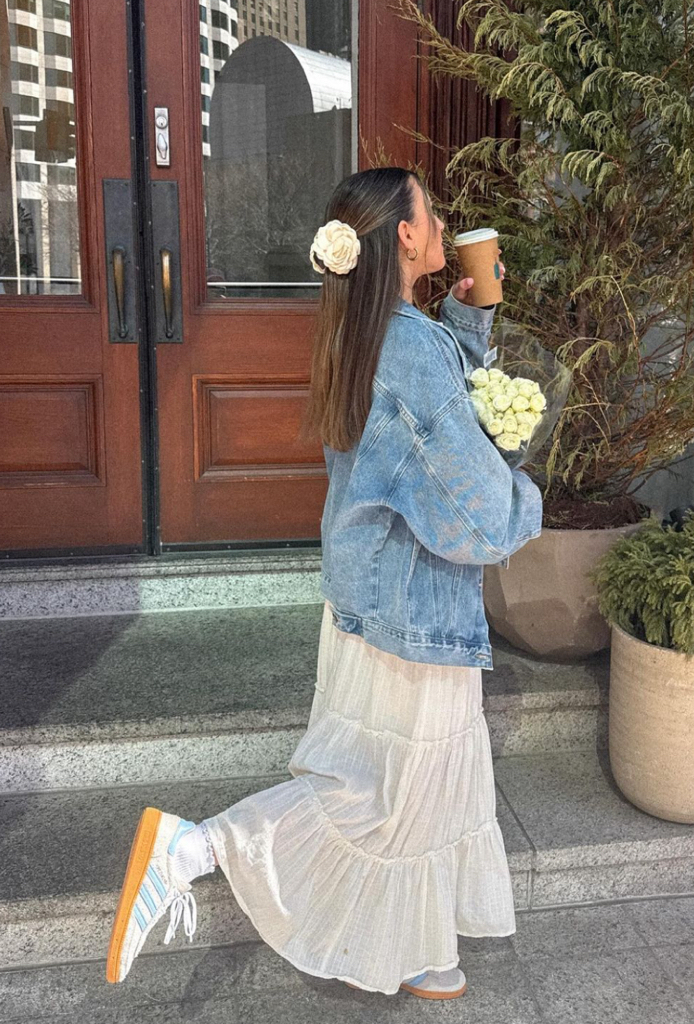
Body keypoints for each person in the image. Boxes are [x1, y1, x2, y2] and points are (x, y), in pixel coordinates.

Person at [105, 167, 543, 998]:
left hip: (369, 601)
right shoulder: (408, 348)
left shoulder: (366, 328)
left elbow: (424, 428)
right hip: (409, 609)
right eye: (431, 212)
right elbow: (478, 517)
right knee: (373, 796)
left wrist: (470, 317)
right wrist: (527, 497)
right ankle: (191, 848)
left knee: (410, 787)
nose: (442, 224)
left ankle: (420, 948)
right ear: (404, 235)